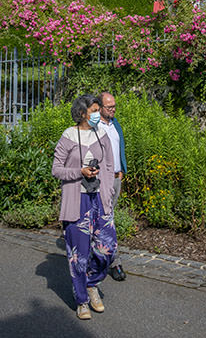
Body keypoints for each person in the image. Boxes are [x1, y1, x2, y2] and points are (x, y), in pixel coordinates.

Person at [52, 94, 117, 320]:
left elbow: (109, 165)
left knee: (107, 248)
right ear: (82, 113)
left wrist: (107, 192)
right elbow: (56, 169)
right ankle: (82, 300)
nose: (98, 115)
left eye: (99, 110)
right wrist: (78, 172)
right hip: (77, 200)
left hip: (99, 199)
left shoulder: (102, 134)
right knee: (79, 255)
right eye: (94, 112)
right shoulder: (69, 136)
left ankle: (92, 284)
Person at [98, 92, 128, 281]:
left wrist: (121, 170)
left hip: (116, 178)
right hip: (103, 180)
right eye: (109, 107)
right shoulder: (95, 127)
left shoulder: (115, 124)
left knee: (107, 218)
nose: (113, 109)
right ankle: (113, 262)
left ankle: (100, 255)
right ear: (99, 107)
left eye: (114, 106)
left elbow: (120, 147)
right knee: (108, 220)